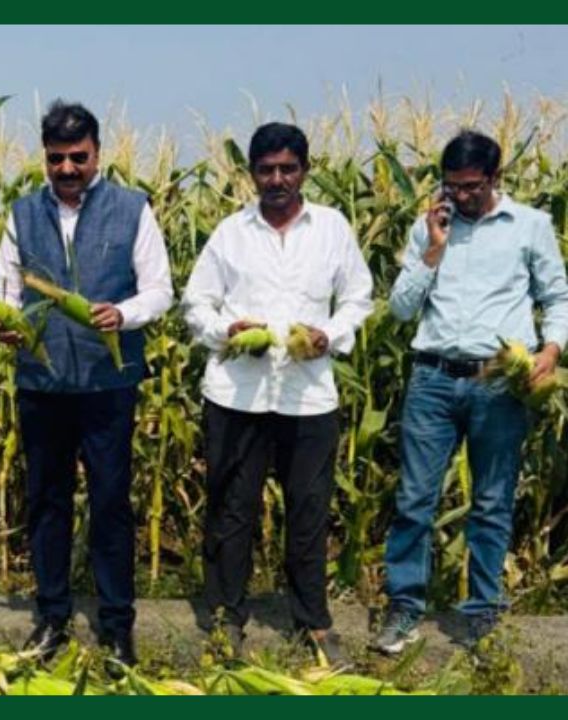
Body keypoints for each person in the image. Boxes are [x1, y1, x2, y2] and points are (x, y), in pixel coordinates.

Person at [0, 101, 173, 667]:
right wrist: (6, 324)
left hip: (106, 385)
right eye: (56, 159)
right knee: (47, 504)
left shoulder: (132, 209)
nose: (67, 169)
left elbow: (160, 290)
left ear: (97, 153)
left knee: (111, 504)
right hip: (42, 383)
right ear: (44, 157)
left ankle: (117, 627)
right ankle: (51, 619)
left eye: (78, 157)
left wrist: (123, 314)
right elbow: (4, 289)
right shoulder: (21, 214)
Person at [182, 122, 372, 665]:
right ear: (251, 175)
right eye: (266, 170)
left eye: (288, 168)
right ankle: (226, 619)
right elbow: (197, 304)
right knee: (231, 512)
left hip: (308, 396)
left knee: (308, 512)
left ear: (305, 171)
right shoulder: (230, 233)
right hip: (237, 396)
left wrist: (329, 337)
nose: (277, 179)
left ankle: (312, 622)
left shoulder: (332, 229)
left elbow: (357, 297)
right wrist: (227, 331)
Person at [373, 130, 568, 654]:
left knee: (491, 500)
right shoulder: (430, 230)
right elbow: (399, 309)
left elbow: (558, 297)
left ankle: (483, 613)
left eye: (471, 187)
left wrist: (550, 352)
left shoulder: (530, 226)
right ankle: (404, 608)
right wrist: (432, 251)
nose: (460, 197)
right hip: (433, 378)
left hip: (499, 382)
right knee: (415, 499)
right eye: (452, 187)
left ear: (495, 178)